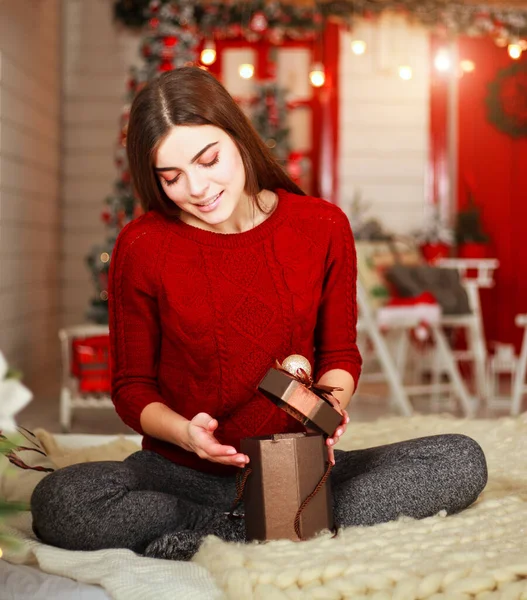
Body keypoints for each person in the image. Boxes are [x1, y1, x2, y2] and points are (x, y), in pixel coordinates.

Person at [31, 67, 487, 561]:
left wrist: (325, 414)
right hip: (183, 476)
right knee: (61, 502)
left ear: (238, 137)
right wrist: (186, 433)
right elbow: (131, 388)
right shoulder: (142, 246)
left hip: (300, 470)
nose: (198, 188)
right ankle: (269, 528)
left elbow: (338, 353)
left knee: (459, 459)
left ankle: (232, 531)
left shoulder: (322, 225)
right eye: (172, 176)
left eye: (209, 160)